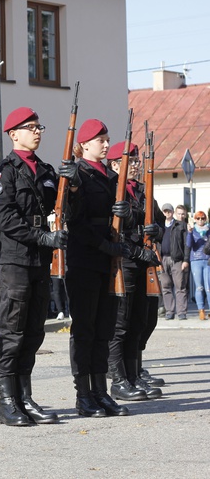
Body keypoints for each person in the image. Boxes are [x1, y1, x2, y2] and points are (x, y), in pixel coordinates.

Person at [0, 106, 75, 426]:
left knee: (34, 333)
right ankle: (7, 401)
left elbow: (62, 207)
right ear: (14, 134)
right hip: (14, 261)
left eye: (40, 127)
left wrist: (72, 182)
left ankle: (25, 398)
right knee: (12, 332)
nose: (37, 131)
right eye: (30, 127)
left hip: (39, 262)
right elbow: (5, 219)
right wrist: (43, 237)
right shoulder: (5, 172)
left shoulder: (48, 171)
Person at [66, 119, 141, 418]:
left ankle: (100, 391)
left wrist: (128, 213)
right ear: (84, 144)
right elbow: (75, 221)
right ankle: (83, 394)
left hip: (108, 260)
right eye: (100, 140)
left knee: (104, 329)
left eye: (107, 139)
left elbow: (131, 219)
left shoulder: (112, 178)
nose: (107, 145)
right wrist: (103, 246)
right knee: (85, 329)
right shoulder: (79, 175)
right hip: (86, 257)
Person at [104, 142, 162, 402]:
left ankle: (134, 375)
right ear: (115, 165)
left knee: (140, 320)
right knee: (121, 323)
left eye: (137, 160)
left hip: (143, 259)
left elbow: (159, 220)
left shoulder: (142, 190)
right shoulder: (111, 190)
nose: (136, 164)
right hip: (123, 260)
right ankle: (118, 379)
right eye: (130, 160)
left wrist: (156, 231)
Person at [159, 203, 189, 320]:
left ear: (173, 213)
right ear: (163, 213)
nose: (167, 213)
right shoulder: (159, 226)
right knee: (165, 287)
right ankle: (169, 312)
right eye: (165, 211)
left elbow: (186, 244)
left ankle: (181, 312)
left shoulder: (180, 225)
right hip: (163, 259)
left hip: (176, 259)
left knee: (180, 286)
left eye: (169, 211)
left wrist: (185, 260)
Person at [187, 210, 209, 320]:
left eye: (203, 218)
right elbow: (189, 244)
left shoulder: (209, 231)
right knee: (199, 287)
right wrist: (190, 233)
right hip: (196, 259)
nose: (200, 220)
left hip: (208, 260)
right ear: (195, 219)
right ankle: (201, 310)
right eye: (198, 218)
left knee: (208, 287)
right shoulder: (193, 230)